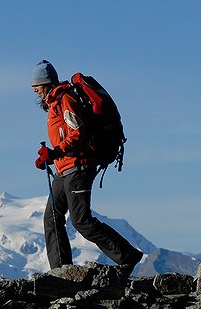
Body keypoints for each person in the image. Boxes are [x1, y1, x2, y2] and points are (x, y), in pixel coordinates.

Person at [31, 60, 143, 277]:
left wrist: (55, 153)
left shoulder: (65, 100)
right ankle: (61, 273)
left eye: (36, 85)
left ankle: (127, 255)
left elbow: (79, 133)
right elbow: (67, 137)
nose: (34, 90)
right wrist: (51, 158)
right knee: (52, 218)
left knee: (81, 220)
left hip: (79, 168)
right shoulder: (54, 104)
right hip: (65, 169)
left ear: (46, 83)